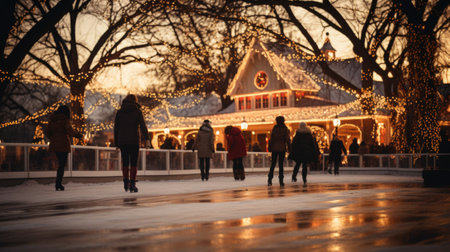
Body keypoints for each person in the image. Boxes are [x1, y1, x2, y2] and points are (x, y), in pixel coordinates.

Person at [114, 94, 150, 193]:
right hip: (134, 140)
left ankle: (126, 182)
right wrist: (147, 139)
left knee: (125, 162)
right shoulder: (137, 111)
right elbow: (143, 126)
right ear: (135, 101)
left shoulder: (120, 112)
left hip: (122, 141)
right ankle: (132, 184)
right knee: (133, 163)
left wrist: (116, 143)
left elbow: (116, 128)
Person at [45, 105, 82, 191]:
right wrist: (78, 135)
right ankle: (58, 184)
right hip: (63, 145)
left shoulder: (52, 120)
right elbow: (70, 130)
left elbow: (47, 131)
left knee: (59, 164)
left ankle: (58, 183)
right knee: (62, 164)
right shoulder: (65, 120)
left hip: (54, 144)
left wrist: (53, 138)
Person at [268, 116, 291, 186]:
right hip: (282, 148)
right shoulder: (285, 129)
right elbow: (287, 139)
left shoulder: (275, 129)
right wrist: (289, 148)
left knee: (273, 164)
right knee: (281, 165)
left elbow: (271, 139)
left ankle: (270, 179)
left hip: (274, 148)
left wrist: (270, 147)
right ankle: (281, 180)